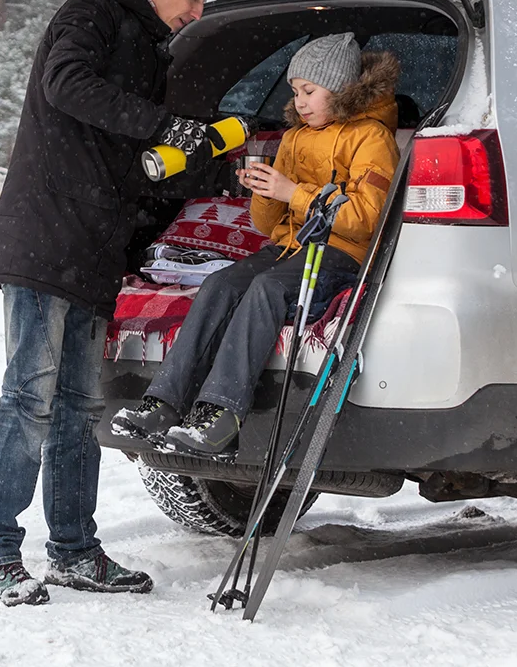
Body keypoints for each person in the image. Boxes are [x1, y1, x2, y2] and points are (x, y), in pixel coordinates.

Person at [0, 0, 221, 607]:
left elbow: (125, 155)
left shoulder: (148, 41)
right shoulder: (96, 8)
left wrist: (195, 161)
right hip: (43, 235)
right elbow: (67, 83)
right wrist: (161, 126)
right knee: (28, 401)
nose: (197, 11)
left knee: (81, 410)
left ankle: (75, 552)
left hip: (94, 243)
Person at [112, 33, 400, 456]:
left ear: (341, 88)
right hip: (289, 248)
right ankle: (164, 402)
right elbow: (268, 225)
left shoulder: (371, 137)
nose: (300, 101)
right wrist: (265, 192)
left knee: (267, 289)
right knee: (220, 286)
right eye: (295, 91)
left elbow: (366, 220)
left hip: (342, 254)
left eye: (309, 91)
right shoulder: (295, 137)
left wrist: (293, 192)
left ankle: (220, 416)